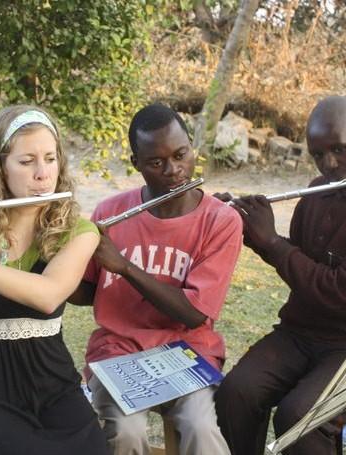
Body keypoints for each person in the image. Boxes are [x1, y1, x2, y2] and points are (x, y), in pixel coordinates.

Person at [215, 96, 346, 455]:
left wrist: (275, 244)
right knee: (237, 393)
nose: (330, 165)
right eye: (318, 155)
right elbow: (304, 266)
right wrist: (248, 228)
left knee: (298, 420)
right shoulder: (315, 193)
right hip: (299, 333)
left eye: (340, 150)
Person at [0, 105, 109, 455]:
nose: (43, 174)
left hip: (53, 385)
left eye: (50, 158)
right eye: (27, 162)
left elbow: (48, 296)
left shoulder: (78, 231)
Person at [70, 103, 243, 455]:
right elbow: (86, 292)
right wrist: (62, 252)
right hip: (117, 350)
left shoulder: (220, 220)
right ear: (136, 164)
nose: (174, 171)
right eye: (156, 163)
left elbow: (195, 313)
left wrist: (126, 268)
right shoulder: (110, 213)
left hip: (189, 351)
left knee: (200, 427)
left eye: (181, 155)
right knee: (127, 432)